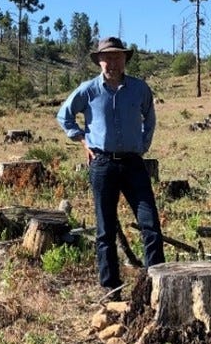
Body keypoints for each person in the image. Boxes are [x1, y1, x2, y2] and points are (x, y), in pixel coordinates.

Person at [57, 36, 165, 296]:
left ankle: (158, 285)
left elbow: (149, 118)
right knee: (105, 229)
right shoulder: (88, 90)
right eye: (107, 58)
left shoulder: (139, 89)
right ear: (99, 61)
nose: (112, 63)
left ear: (125, 59)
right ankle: (111, 288)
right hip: (102, 163)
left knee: (150, 224)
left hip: (133, 163)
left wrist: (143, 144)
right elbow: (64, 116)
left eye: (117, 57)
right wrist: (83, 140)